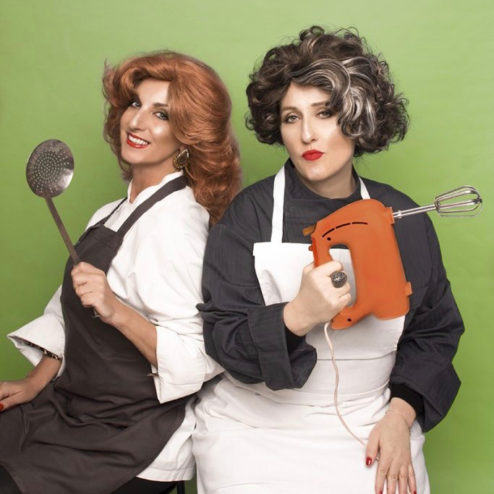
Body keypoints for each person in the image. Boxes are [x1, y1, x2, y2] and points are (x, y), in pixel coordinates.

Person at [192, 26, 464, 494]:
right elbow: (223, 338)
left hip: (370, 420)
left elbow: (434, 333)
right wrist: (297, 315)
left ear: (358, 117)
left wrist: (399, 417)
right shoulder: (248, 216)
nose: (307, 135)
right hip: (254, 426)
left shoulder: (404, 217)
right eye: (291, 117)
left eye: (325, 113)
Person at [0, 51, 240, 494]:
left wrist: (117, 311)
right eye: (135, 104)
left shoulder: (178, 226)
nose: (137, 121)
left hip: (129, 436)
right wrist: (35, 381)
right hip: (75, 408)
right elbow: (68, 311)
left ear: (188, 136)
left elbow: (203, 354)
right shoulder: (110, 212)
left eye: (162, 114)